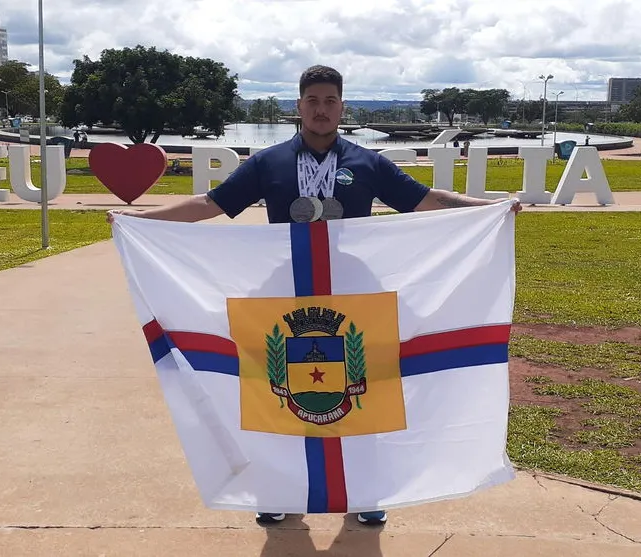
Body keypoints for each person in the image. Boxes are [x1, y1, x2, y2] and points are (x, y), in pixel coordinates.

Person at [107, 64, 521, 527]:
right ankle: (277, 487)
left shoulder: (368, 162)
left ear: (342, 107)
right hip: (283, 293)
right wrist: (140, 220)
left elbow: (426, 200)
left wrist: (489, 209)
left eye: (330, 101)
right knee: (273, 388)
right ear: (298, 107)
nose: (321, 110)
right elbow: (210, 205)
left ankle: (366, 490)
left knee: (367, 388)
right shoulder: (269, 162)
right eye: (312, 101)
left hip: (357, 294)